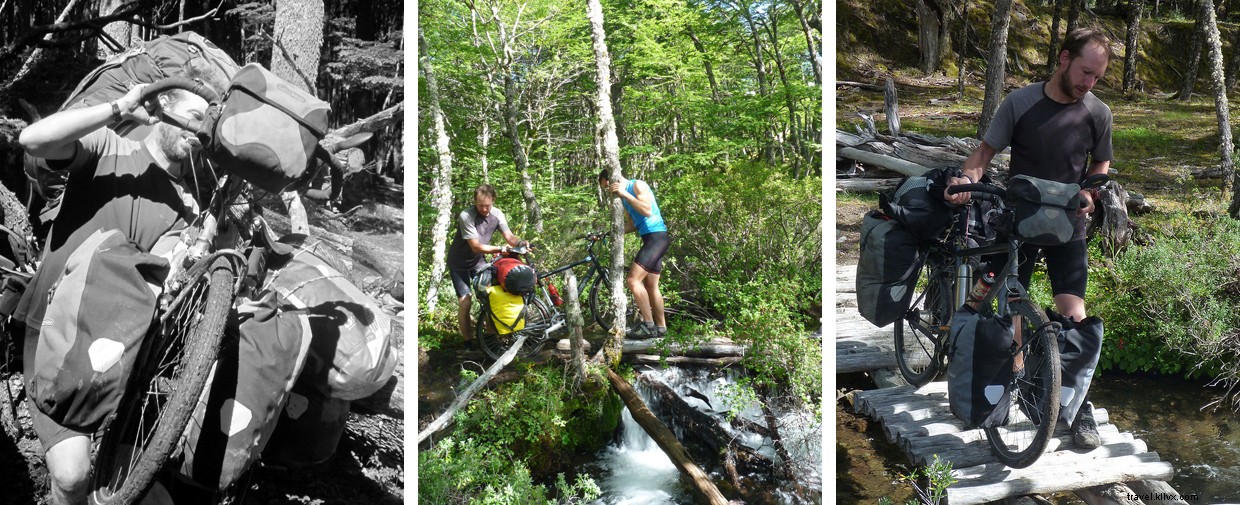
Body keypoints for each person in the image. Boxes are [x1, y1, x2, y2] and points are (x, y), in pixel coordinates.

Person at [16, 77, 214, 505]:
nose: (199, 131)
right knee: (71, 478)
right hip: (57, 325)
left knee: (148, 494)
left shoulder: (190, 204)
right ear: (165, 105)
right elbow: (31, 140)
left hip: (118, 347)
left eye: (207, 124)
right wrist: (118, 108)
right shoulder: (109, 146)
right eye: (193, 117)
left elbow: (166, 282)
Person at [945, 27, 1113, 450]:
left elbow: (1101, 162)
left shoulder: (1098, 112)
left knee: (1075, 316)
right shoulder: (1021, 103)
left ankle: (1078, 408)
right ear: (1063, 58)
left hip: (1067, 228)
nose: (1088, 83)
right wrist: (966, 178)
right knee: (990, 301)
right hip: (1016, 223)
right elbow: (984, 154)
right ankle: (1000, 373)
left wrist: (1091, 193)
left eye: (1097, 77)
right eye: (1084, 72)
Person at [446, 184, 527, 341]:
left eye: (487, 205)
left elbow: (509, 237)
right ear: (474, 201)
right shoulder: (466, 216)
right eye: (480, 205)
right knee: (466, 299)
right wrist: (501, 248)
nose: (484, 209)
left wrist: (521, 243)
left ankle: (490, 338)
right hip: (458, 263)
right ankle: (468, 341)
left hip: (478, 262)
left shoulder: (497, 214)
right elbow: (475, 246)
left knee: (491, 295)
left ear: (493, 200)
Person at [599, 170, 671, 339]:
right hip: (650, 239)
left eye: (607, 185)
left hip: (657, 237)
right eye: (605, 188)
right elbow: (632, 225)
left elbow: (647, 210)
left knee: (633, 280)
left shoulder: (636, 185)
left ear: (613, 179)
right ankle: (661, 328)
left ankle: (648, 325)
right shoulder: (623, 200)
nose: (608, 189)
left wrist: (624, 193)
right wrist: (607, 233)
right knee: (651, 285)